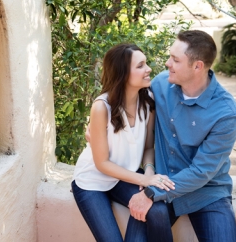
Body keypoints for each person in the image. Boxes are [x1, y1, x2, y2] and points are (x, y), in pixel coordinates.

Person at [87, 30, 236, 241]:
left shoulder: (226, 113)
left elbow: (201, 171)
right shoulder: (159, 85)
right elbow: (123, 93)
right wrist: (98, 129)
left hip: (206, 193)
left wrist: (151, 193)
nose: (167, 63)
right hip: (161, 183)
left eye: (175, 60)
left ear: (197, 66)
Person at [72, 43, 176, 242]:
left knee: (159, 210)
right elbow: (102, 163)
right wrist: (143, 181)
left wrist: (149, 173)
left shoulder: (148, 102)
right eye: (140, 66)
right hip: (92, 181)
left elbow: (147, 147)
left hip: (124, 177)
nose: (148, 69)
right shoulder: (102, 107)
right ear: (122, 73)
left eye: (146, 64)